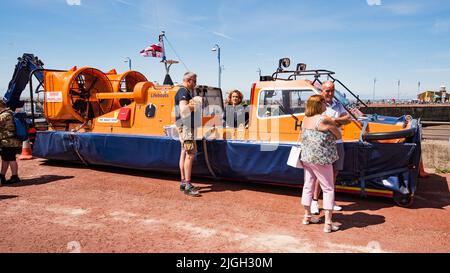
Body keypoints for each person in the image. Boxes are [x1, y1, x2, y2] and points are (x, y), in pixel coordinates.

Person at [300, 95, 341, 233]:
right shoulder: (323, 120)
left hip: (307, 157)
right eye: (324, 103)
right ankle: (328, 223)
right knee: (328, 188)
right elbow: (338, 135)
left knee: (308, 186)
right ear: (319, 104)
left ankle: (307, 217)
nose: (326, 105)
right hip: (321, 159)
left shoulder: (305, 119)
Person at [310, 81, 352, 214]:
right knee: (320, 174)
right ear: (322, 91)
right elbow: (314, 120)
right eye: (327, 91)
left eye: (332, 91)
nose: (330, 93)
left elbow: (348, 118)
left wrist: (333, 121)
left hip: (337, 143)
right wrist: (337, 121)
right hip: (322, 144)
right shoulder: (317, 105)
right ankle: (314, 202)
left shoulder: (338, 105)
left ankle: (330, 201)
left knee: (334, 173)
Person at [174, 72, 201, 197]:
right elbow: (183, 110)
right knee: (190, 154)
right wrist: (194, 104)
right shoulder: (183, 92)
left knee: (184, 153)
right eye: (194, 81)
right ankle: (187, 185)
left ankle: (184, 182)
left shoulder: (183, 92)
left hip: (184, 127)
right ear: (189, 80)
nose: (195, 84)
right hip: (186, 128)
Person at [0, 100, 22, 185]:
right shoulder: (10, 113)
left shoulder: (4, 115)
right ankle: (2, 176)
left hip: (8, 141)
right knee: (6, 159)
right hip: (10, 141)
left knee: (11, 159)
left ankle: (15, 176)